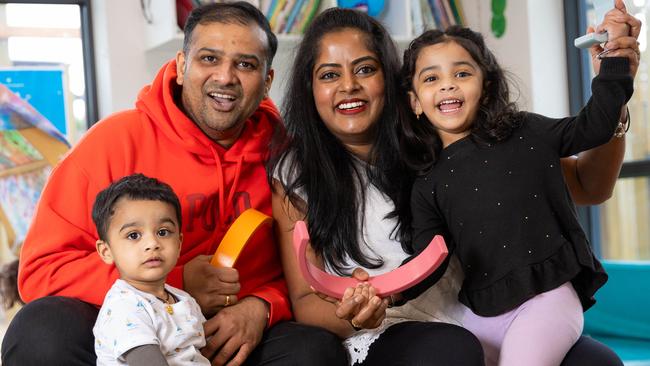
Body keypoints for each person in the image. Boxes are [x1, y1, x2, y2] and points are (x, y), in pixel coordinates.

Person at [270, 4, 641, 366]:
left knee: (599, 361)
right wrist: (366, 310)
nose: (349, 86)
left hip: (479, 311)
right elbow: (306, 299)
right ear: (310, 87)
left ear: (393, 81)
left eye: (365, 69)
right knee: (452, 349)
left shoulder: (452, 138)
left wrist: (614, 96)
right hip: (396, 330)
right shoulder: (296, 172)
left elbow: (589, 187)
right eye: (329, 75)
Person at [1, 3, 347, 366]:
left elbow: (307, 272)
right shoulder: (111, 143)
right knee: (40, 330)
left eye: (245, 64)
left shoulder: (287, 157)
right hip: (127, 325)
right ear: (182, 66)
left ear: (267, 82)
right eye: (209, 59)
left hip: (233, 332)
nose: (225, 77)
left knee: (314, 351)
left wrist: (262, 308)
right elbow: (40, 272)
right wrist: (172, 283)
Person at [401, 22, 635, 366]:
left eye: (462, 73)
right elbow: (427, 260)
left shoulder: (526, 131)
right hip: (480, 314)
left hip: (548, 298)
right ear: (415, 102)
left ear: (487, 86)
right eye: (431, 78)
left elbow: (595, 126)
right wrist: (385, 293)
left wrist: (614, 63)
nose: (448, 84)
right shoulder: (426, 184)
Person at [91, 174, 209, 365]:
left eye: (163, 232)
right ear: (106, 251)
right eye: (134, 235)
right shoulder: (124, 306)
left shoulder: (184, 299)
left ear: (179, 243)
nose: (152, 243)